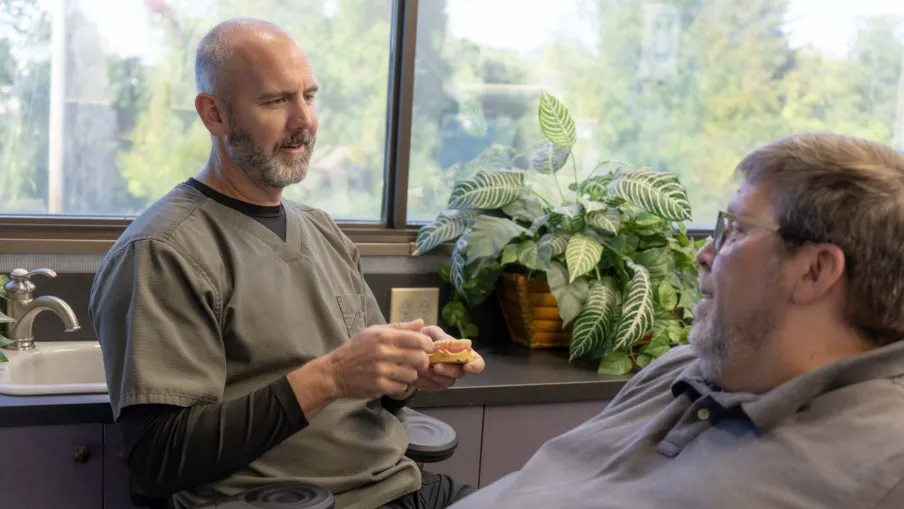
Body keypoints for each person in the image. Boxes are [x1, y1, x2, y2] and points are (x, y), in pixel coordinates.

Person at [88, 18, 484, 509]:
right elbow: (158, 458)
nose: (304, 121)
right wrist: (332, 376)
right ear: (213, 113)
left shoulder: (323, 231)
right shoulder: (162, 251)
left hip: (400, 486)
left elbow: (370, 392)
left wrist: (410, 371)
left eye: (309, 97)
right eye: (276, 101)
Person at [448, 132, 904, 509]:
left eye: (736, 231)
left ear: (815, 270)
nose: (704, 254)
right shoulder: (680, 369)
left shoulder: (880, 467)